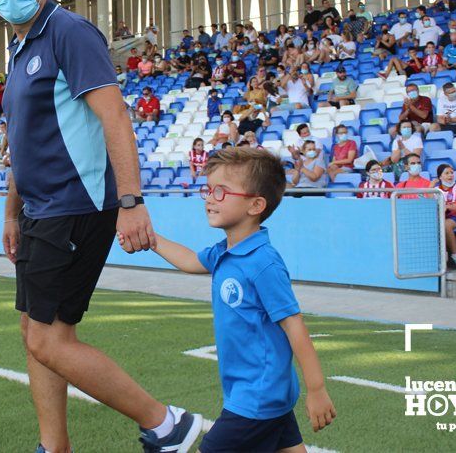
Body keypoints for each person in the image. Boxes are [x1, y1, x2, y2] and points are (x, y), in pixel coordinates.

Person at [0, 0, 201, 452]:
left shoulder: (69, 33)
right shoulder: (18, 51)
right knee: (33, 332)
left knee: (48, 338)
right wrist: (12, 213)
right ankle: (54, 447)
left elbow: (116, 117)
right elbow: (22, 142)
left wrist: (131, 202)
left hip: (76, 205)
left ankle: (166, 425)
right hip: (40, 210)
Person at [139, 148, 336, 452]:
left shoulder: (263, 262)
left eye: (221, 191)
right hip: (262, 392)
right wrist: (150, 239)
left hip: (257, 394)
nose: (209, 198)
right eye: (208, 189)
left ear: (256, 205)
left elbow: (294, 325)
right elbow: (192, 260)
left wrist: (317, 389)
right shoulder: (224, 251)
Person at [432, 164, 456, 270]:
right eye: (446, 173)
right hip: (440, 217)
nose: (450, 175)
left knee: (446, 225)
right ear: (440, 177)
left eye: (452, 172)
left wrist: (445, 206)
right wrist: (430, 187)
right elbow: (428, 200)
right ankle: (440, 256)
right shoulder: (435, 189)